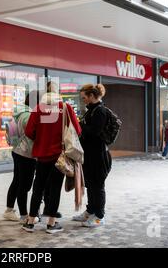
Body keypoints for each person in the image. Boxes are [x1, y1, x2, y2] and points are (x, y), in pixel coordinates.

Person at [22, 82, 81, 234]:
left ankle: (30, 222)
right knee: (54, 189)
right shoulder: (66, 108)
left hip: (41, 156)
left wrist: (41, 139)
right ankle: (51, 223)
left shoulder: (38, 109)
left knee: (38, 188)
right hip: (59, 156)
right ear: (57, 92)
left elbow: (29, 132)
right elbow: (78, 131)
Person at [74, 84, 111, 227]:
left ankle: (99, 217)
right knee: (91, 185)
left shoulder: (100, 111)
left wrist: (79, 125)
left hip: (99, 156)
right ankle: (90, 212)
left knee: (98, 186)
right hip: (90, 155)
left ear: (91, 96)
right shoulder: (91, 111)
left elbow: (95, 132)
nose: (83, 100)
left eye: (84, 97)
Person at [3, 91, 39, 223]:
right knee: (25, 185)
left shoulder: (20, 111)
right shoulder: (29, 116)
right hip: (26, 154)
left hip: (17, 150)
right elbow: (33, 135)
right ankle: (24, 215)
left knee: (17, 181)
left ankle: (9, 210)